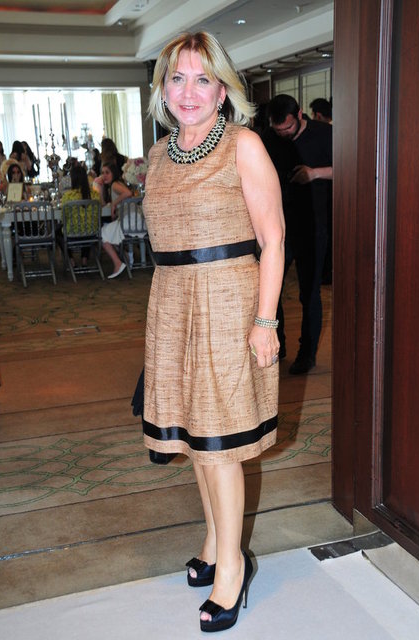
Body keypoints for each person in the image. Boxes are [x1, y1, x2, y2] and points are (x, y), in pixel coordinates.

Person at [143, 31, 284, 633]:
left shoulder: (243, 146)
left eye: (203, 79)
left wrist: (265, 321)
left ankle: (233, 568)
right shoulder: (158, 155)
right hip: (172, 305)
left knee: (221, 445)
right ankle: (213, 539)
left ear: (223, 91)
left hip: (228, 304)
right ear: (163, 88)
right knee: (196, 438)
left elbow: (273, 239)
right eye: (177, 78)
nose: (189, 91)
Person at [262, 93, 332, 374]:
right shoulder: (268, 138)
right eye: (278, 129)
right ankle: (277, 344)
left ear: (300, 115)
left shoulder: (324, 134)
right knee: (271, 289)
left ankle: (307, 354)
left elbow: (351, 168)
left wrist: (314, 173)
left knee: (309, 292)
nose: (283, 133)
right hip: (278, 226)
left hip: (313, 227)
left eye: (288, 128)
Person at [58, 164, 101, 267]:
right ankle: (84, 258)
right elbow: (97, 215)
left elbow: (63, 218)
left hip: (72, 233)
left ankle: (71, 259)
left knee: (57, 232)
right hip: (92, 233)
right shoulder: (95, 195)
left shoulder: (68, 196)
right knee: (87, 223)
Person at [94, 162, 132, 278]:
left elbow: (128, 193)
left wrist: (114, 203)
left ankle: (118, 263)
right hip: (128, 219)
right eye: (102, 173)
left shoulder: (115, 184)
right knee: (107, 230)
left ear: (113, 173)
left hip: (129, 219)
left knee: (102, 233)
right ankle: (125, 256)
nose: (104, 176)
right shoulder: (113, 185)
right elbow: (102, 204)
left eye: (107, 172)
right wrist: (100, 188)